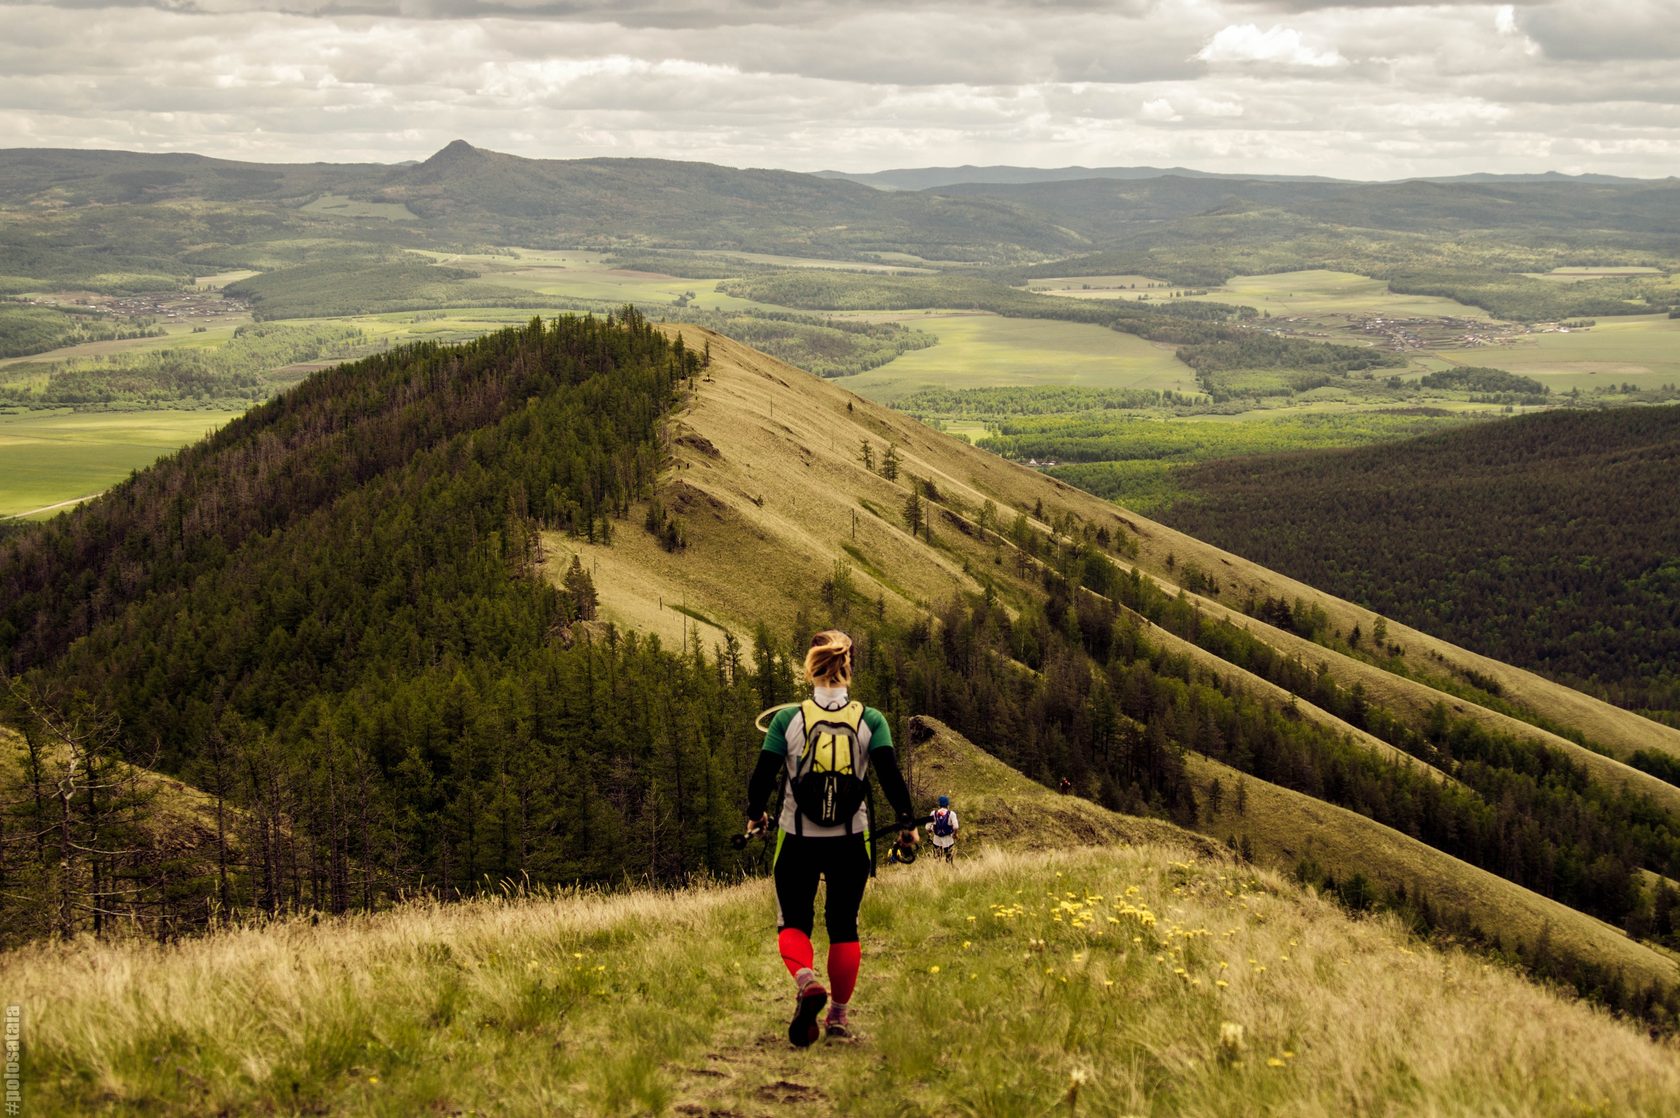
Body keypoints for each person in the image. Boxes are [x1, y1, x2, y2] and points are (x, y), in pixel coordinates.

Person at [745, 629, 917, 1046]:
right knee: (844, 927)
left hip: (797, 839)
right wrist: (908, 823)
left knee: (794, 922)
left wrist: (756, 817)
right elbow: (891, 778)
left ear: (810, 668)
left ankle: (806, 982)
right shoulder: (869, 720)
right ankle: (837, 1018)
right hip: (851, 840)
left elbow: (760, 781)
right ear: (848, 667)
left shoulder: (787, 719)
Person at [927, 795, 959, 861]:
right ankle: (948, 868)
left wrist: (930, 832)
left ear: (939, 804)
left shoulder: (933, 813)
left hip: (936, 839)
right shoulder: (951, 814)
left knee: (937, 858)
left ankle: (938, 869)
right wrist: (955, 834)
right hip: (948, 840)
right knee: (949, 859)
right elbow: (955, 827)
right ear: (948, 804)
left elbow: (927, 827)